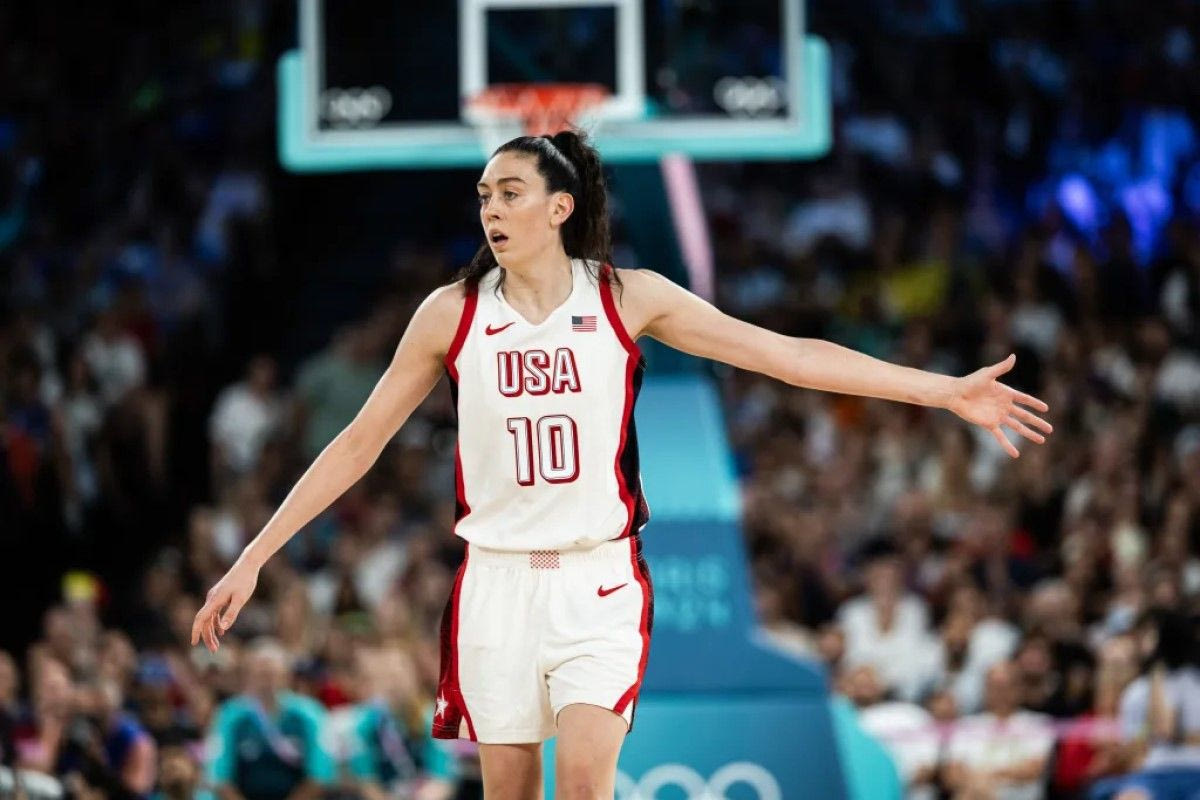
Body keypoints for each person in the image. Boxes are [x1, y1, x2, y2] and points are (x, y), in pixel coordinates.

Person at [192, 130, 1053, 799]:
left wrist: (943, 390)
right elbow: (357, 443)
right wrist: (254, 557)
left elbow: (788, 356)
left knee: (584, 785)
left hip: (597, 580)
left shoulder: (626, 296)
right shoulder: (449, 313)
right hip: (495, 581)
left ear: (559, 207)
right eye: (484, 195)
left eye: (511, 192)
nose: (491, 209)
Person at [205, 638, 334, 800]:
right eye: (261, 674)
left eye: (272, 674)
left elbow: (319, 775)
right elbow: (220, 777)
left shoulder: (309, 714)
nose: (266, 681)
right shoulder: (230, 716)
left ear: (286, 675)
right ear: (248, 675)